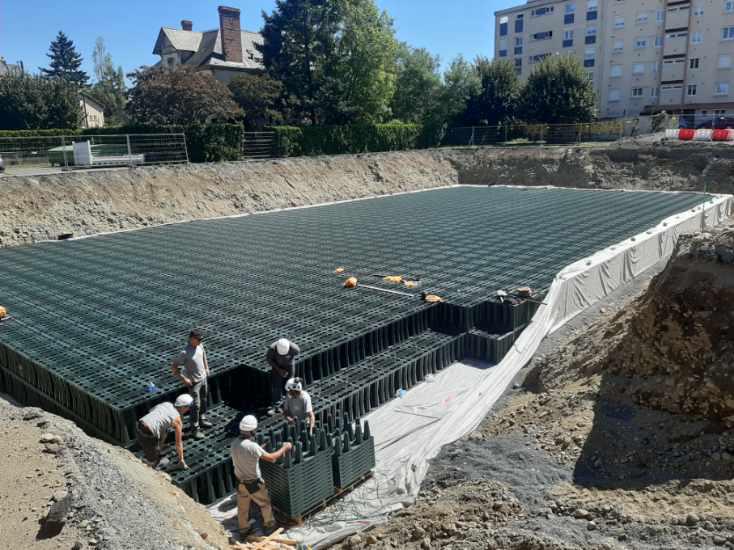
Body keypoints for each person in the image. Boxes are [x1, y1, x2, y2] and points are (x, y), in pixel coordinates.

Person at [230, 415, 292, 538]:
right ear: (252, 431)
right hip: (253, 483)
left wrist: (259, 449)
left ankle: (243, 529)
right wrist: (285, 447)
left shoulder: (234, 443)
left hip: (240, 482)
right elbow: (271, 458)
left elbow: (246, 453)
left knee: (243, 507)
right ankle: (269, 526)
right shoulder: (252, 446)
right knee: (264, 503)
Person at [171, 328, 211, 439]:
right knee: (195, 405)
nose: (200, 341)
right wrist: (184, 379)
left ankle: (202, 419)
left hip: (203, 379)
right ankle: (195, 429)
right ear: (191, 339)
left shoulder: (200, 346)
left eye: (201, 339)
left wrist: (206, 368)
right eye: (198, 339)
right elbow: (174, 367)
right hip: (194, 383)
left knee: (204, 400)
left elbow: (203, 355)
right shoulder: (185, 352)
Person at [136, 394, 192, 470]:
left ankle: (151, 451)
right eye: (188, 407)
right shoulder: (177, 420)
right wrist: (181, 460)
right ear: (183, 407)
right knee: (162, 461)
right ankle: (150, 462)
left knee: (157, 447)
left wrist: (160, 445)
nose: (188, 410)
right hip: (148, 434)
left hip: (139, 426)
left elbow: (153, 413)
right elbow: (178, 443)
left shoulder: (166, 404)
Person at [265, 338, 300, 413]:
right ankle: (276, 405)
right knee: (276, 385)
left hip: (289, 366)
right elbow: (269, 360)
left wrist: (289, 368)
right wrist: (279, 370)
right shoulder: (272, 349)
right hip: (277, 366)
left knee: (290, 384)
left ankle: (291, 403)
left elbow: (294, 357)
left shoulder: (295, 349)